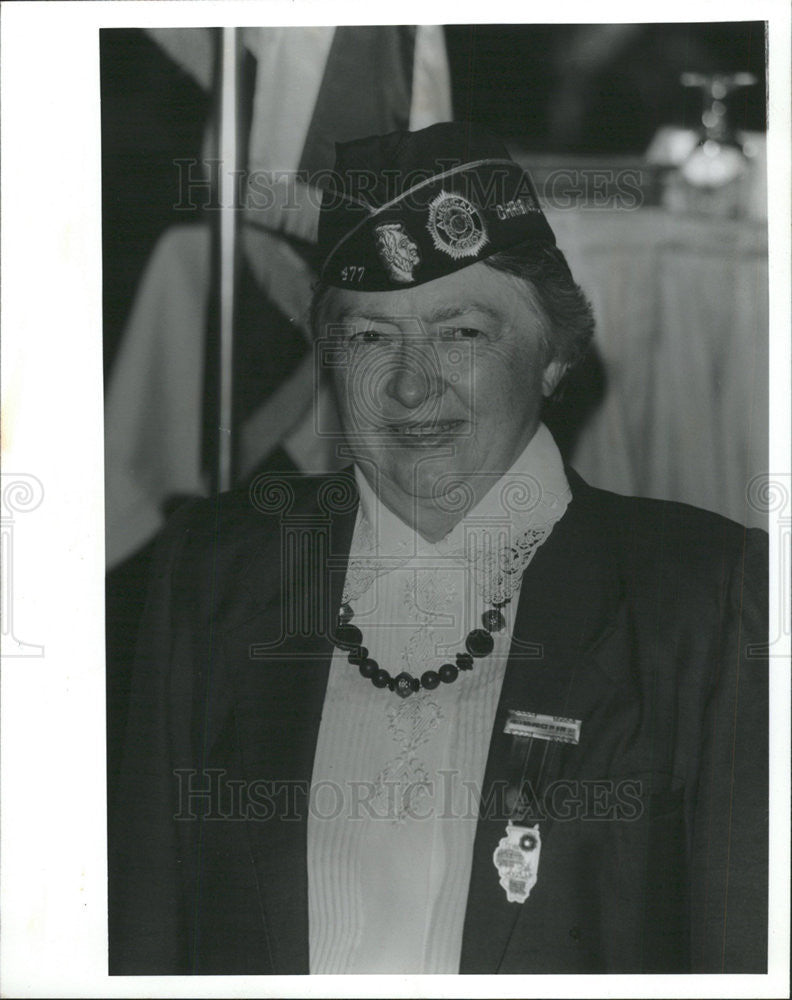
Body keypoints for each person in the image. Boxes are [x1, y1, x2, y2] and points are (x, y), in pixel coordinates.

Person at [108, 122, 768, 975]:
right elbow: (147, 932)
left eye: (461, 333)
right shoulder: (216, 570)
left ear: (556, 355)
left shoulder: (703, 595)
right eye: (371, 337)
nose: (412, 385)